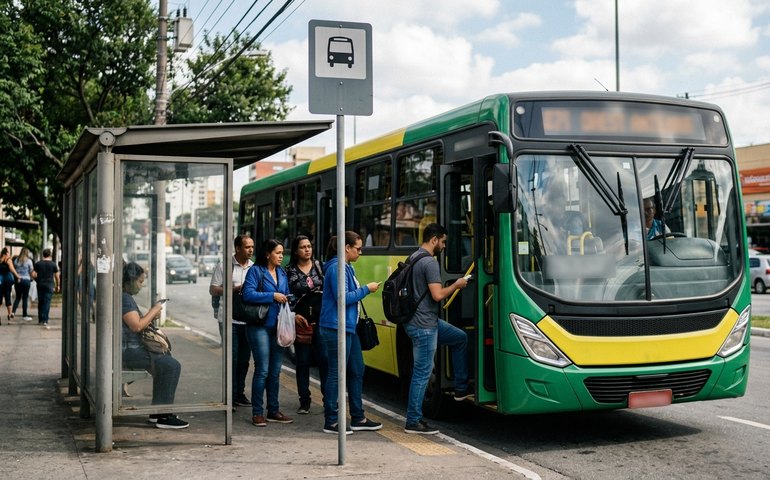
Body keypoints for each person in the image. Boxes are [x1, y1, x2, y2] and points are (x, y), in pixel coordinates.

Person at [403, 223, 471, 435]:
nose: (444, 245)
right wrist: (457, 284)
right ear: (434, 240)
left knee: (459, 338)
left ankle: (461, 388)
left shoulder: (413, 257)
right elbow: (438, 295)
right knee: (422, 373)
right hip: (424, 326)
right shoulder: (429, 263)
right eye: (442, 241)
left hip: (419, 321)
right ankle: (413, 421)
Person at [318, 231, 382, 434]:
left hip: (348, 328)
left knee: (356, 369)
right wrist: (366, 289)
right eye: (358, 248)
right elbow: (342, 298)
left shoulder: (346, 267)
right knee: (336, 373)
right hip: (335, 327)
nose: (360, 252)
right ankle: (331, 421)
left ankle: (358, 417)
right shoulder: (337, 267)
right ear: (346, 247)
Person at [121, 262, 188, 429]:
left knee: (166, 362)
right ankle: (163, 416)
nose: (141, 286)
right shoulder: (125, 299)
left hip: (129, 348)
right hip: (130, 351)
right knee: (172, 366)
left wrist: (151, 316)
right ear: (131, 280)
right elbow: (136, 326)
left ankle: (157, 412)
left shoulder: (125, 297)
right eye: (140, 282)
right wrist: (154, 310)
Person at [241, 239, 294, 427]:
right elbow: (247, 294)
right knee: (262, 370)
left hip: (278, 327)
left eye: (282, 253)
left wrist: (288, 299)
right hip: (259, 326)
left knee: (275, 371)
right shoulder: (256, 271)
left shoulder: (281, 273)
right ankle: (257, 412)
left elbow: (286, 293)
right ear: (267, 254)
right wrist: (272, 296)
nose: (281, 256)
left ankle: (273, 410)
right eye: (278, 253)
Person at [285, 234, 328, 414]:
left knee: (324, 359)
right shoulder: (289, 271)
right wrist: (293, 315)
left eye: (309, 246)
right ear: (296, 251)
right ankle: (304, 401)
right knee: (302, 361)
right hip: (301, 321)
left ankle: (328, 400)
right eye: (303, 247)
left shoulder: (319, 266)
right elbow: (285, 296)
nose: (307, 249)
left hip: (321, 320)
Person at [209, 235, 254, 408]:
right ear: (237, 248)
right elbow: (213, 289)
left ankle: (239, 393)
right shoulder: (224, 266)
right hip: (228, 319)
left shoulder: (253, 267)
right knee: (232, 359)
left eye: (252, 247)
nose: (251, 250)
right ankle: (230, 396)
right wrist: (234, 289)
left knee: (244, 360)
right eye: (247, 247)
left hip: (247, 320)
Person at [33, 248, 59, 328]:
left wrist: (37, 280)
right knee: (47, 302)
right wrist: (58, 285)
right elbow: (57, 276)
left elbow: (33, 274)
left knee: (40, 302)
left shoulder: (38, 264)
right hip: (49, 285)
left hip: (40, 284)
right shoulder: (53, 264)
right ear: (50, 255)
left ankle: (40, 319)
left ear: (43, 255)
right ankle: (45, 320)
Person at [12, 247, 35, 321]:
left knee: (18, 297)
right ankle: (25, 315)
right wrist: (32, 278)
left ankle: (13, 312)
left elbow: (14, 270)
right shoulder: (29, 261)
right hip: (26, 281)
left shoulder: (16, 260)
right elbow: (31, 271)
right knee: (25, 298)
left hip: (18, 280)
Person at [0, 247, 20, 325]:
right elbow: (12, 269)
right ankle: (9, 317)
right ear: (6, 253)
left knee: (0, 299)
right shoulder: (8, 260)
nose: (9, 254)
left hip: (0, 281)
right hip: (7, 281)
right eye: (8, 252)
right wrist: (17, 276)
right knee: (8, 298)